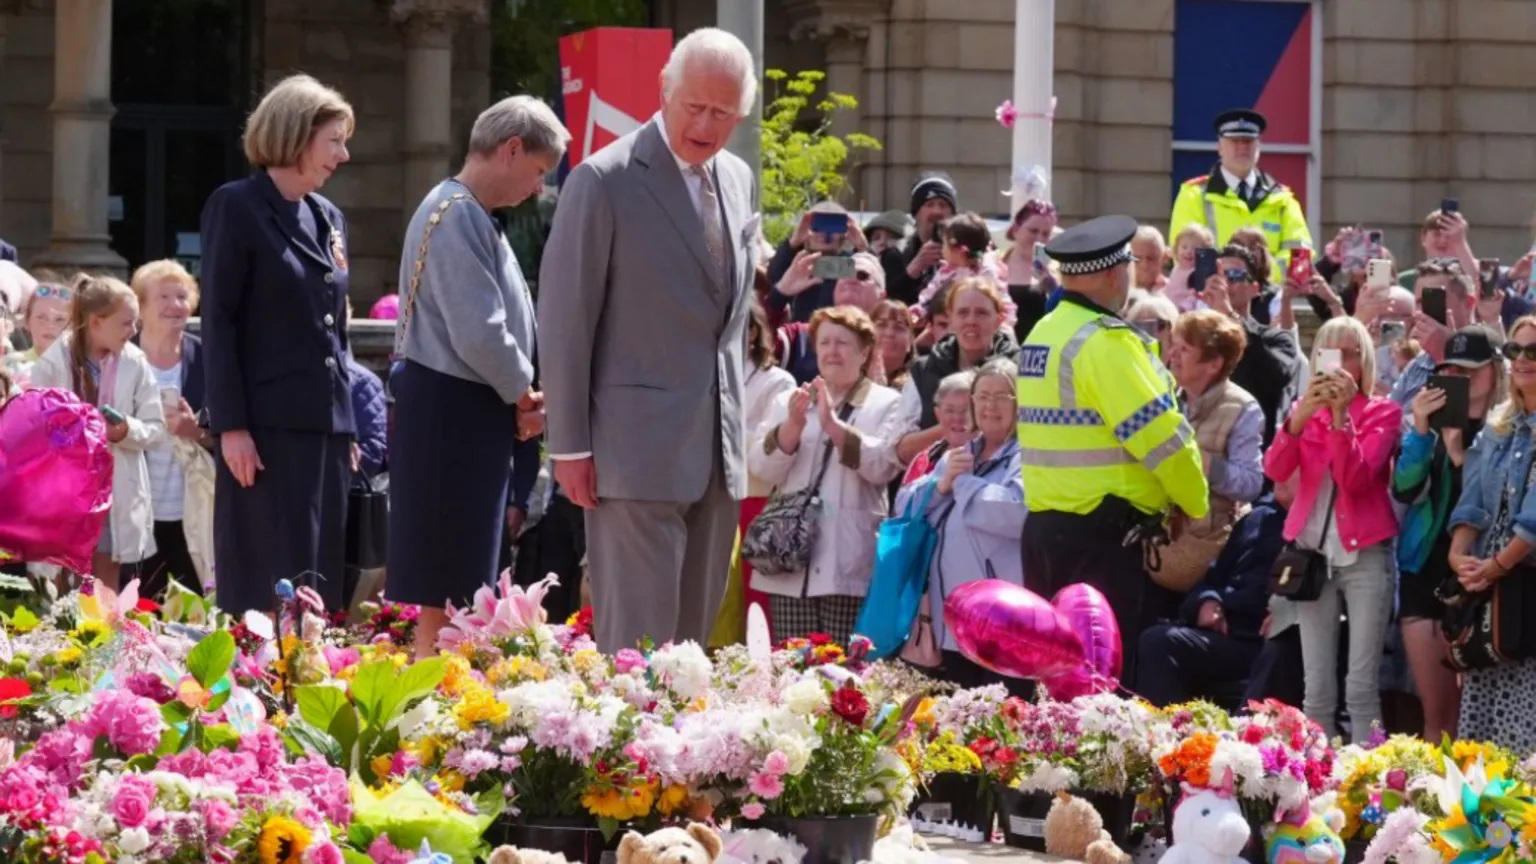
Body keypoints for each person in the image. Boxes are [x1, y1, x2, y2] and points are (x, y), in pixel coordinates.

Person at [539, 27, 758, 653]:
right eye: (695, 106)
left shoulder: (738, 179)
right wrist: (571, 448)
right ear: (664, 91)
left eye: (724, 112)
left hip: (717, 452)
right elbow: (564, 320)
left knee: (692, 654)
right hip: (629, 454)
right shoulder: (602, 180)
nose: (707, 124)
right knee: (636, 652)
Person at [389, 95, 567, 656]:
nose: (538, 187)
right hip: (454, 412)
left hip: (460, 410)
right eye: (539, 171)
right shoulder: (458, 212)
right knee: (449, 590)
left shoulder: (465, 213)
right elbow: (480, 328)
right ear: (512, 149)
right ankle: (429, 715)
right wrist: (524, 391)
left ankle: (442, 711)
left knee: (463, 584)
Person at [1017, 214, 1209, 678]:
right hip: (1102, 540)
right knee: (1103, 689)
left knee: (1054, 680)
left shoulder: (1042, 335)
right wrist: (1193, 502)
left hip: (1045, 530)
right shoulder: (1105, 342)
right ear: (1112, 273)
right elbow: (1164, 440)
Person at [199, 74, 356, 615]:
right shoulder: (236, 206)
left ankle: (312, 682)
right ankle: (257, 691)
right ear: (296, 135)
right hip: (265, 429)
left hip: (327, 429)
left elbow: (338, 327)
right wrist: (231, 426)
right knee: (268, 573)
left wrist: (349, 421)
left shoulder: (327, 216)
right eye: (334, 140)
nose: (344, 154)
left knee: (319, 576)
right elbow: (219, 322)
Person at [1264, 316, 1401, 740]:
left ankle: (1376, 775)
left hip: (1365, 557)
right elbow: (1275, 470)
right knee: (1316, 689)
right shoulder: (1302, 412)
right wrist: (1298, 421)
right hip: (1312, 555)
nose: (1342, 363)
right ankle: (1316, 781)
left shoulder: (1384, 412)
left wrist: (1341, 419)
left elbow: (1356, 480)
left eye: (1351, 353)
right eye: (1331, 352)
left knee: (1361, 688)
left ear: (1365, 362)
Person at [747, 306, 906, 642]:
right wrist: (791, 427)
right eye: (824, 343)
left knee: (846, 673)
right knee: (793, 669)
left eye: (843, 343)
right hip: (789, 561)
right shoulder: (791, 399)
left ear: (864, 352)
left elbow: (881, 467)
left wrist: (833, 426)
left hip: (847, 561)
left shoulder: (886, 402)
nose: (832, 351)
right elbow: (759, 466)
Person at [1395, 326, 1504, 742]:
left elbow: (1490, 504)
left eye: (1472, 370)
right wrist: (1422, 433)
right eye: (1452, 370)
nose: (1461, 378)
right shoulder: (1433, 424)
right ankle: (1432, 805)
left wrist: (1459, 457)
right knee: (1437, 711)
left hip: (1484, 574)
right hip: (1426, 569)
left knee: (1476, 714)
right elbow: (1403, 488)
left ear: (1496, 371)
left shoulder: (1507, 429)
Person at [896, 358, 1026, 690]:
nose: (990, 406)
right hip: (949, 622)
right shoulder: (960, 453)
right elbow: (906, 507)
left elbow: (1015, 513)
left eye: (1001, 397)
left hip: (1001, 623)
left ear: (1019, 403)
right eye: (982, 396)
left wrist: (964, 484)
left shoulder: (1027, 455)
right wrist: (938, 487)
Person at [30, 275, 165, 588]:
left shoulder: (135, 362)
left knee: (105, 581)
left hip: (113, 490)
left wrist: (123, 431)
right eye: (126, 323)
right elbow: (34, 428)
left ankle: (105, 637)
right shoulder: (53, 363)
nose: (134, 331)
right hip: (64, 489)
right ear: (96, 322)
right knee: (60, 576)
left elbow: (156, 429)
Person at [1447, 316, 1536, 754]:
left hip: (1525, 583)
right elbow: (1472, 500)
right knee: (1485, 744)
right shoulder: (1499, 424)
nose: (1522, 360)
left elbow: (1535, 521)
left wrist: (1495, 567)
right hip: (1493, 591)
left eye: (1533, 352)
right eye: (1514, 351)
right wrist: (1459, 554)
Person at [1135, 491, 1289, 707]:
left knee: (1280, 650)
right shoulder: (1258, 518)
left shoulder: (1318, 526)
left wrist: (1289, 612)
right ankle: (1171, 732)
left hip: (1273, 640)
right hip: (1228, 634)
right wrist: (1207, 601)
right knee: (1157, 642)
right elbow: (1213, 577)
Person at [1150, 311, 1264, 594]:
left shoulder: (1243, 408)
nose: (1172, 354)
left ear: (1214, 363)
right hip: (1155, 549)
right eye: (1174, 344)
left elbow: (1251, 484)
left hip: (1205, 558)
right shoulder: (1163, 398)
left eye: (1185, 349)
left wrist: (1203, 464)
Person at [129, 260, 215, 599]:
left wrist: (194, 431)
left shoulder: (208, 358)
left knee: (193, 607)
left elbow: (232, 432)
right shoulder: (120, 357)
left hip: (193, 511)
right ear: (141, 306)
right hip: (135, 511)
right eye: (163, 296)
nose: (175, 305)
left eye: (182, 296)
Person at [1169, 108, 1312, 281]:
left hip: (1272, 300)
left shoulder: (1283, 199)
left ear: (1258, 146)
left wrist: (1260, 273)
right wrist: (1232, 275)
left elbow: (1301, 255)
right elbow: (1184, 253)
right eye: (1234, 141)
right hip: (1213, 298)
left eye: (1248, 141)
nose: (1242, 147)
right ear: (1220, 147)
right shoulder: (1194, 195)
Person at [898, 278, 1019, 462]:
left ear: (999, 319)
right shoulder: (923, 370)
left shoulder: (1020, 370)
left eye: (981, 313)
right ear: (951, 318)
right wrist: (952, 425)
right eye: (962, 313)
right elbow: (902, 451)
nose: (971, 321)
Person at [1200, 243, 1304, 446]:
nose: (1226, 284)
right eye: (1219, 275)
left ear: (1255, 289)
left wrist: (1230, 316)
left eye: (1235, 276)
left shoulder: (1275, 339)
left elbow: (1276, 376)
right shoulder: (1195, 339)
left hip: (1254, 459)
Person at [744, 296, 796, 623]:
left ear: (751, 332)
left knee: (752, 603)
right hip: (706, 498)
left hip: (756, 502)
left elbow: (764, 447)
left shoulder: (777, 381)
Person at [777, 251, 887, 384]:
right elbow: (754, 343)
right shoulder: (801, 337)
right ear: (835, 288)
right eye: (844, 273)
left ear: (882, 296)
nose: (851, 279)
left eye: (862, 276)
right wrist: (780, 294)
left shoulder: (891, 343)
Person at [884, 173, 959, 305]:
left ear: (953, 214)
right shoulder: (897, 254)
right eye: (929, 204)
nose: (936, 211)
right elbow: (887, 302)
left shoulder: (968, 247)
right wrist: (914, 269)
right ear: (916, 213)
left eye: (943, 205)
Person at [900, 371, 974, 486]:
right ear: (938, 414)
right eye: (950, 410)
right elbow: (905, 502)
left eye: (965, 410)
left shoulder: (995, 458)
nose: (958, 418)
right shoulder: (924, 460)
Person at [1002, 198, 1060, 341]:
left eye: (1045, 234)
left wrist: (1052, 284)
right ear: (1016, 230)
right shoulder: (996, 266)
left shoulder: (1058, 270)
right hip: (1003, 353)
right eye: (1033, 231)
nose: (1039, 238)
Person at [871, 298, 916, 389]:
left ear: (910, 342)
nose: (889, 333)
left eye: (899, 328)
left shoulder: (918, 385)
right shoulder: (848, 378)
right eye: (882, 325)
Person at [1131, 224, 1169, 295]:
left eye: (1151, 258)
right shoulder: (1118, 293)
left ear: (1164, 259)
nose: (1144, 265)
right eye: (1137, 259)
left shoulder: (1174, 291)